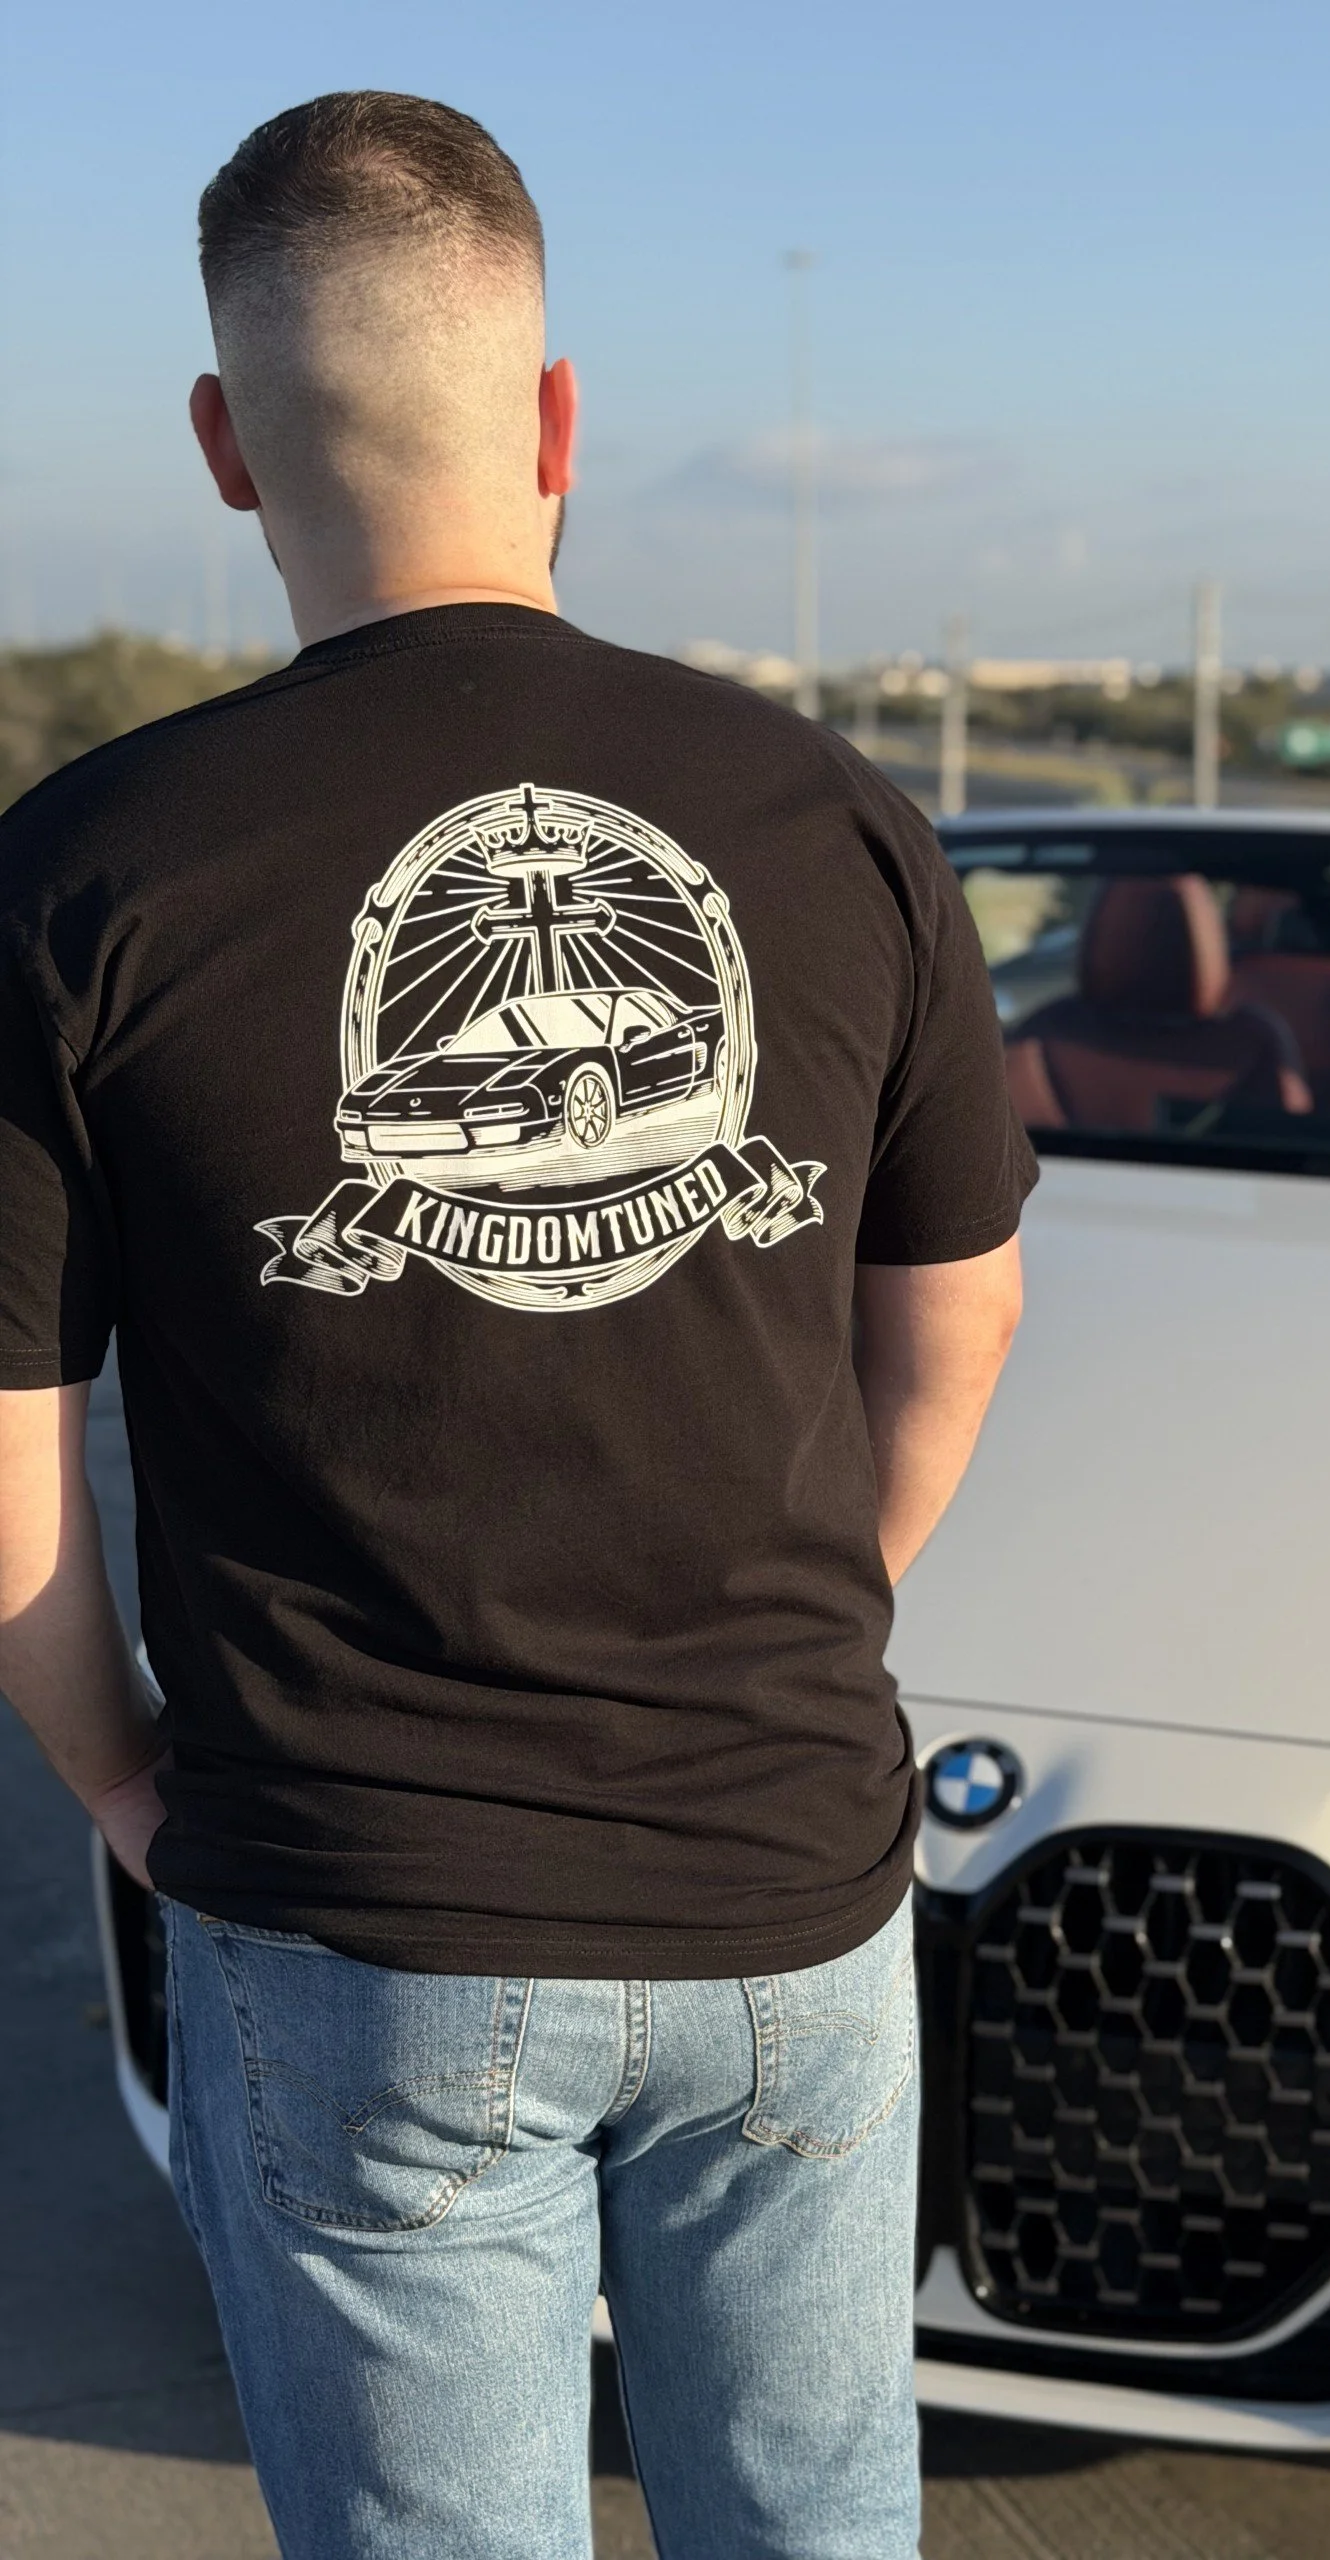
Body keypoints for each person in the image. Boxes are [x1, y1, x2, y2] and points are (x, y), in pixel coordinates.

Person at [0, 92, 1031, 2560]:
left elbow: (7, 1454)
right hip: (792, 1885)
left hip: (357, 1911)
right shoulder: (834, 817)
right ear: (558, 419)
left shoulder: (80, 877)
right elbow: (959, 1324)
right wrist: (802, 1629)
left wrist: (129, 1782)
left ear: (226, 445)